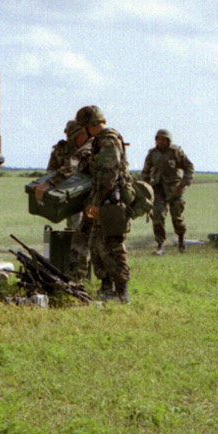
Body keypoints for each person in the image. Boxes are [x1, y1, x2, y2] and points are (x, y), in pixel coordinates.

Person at [75, 105, 133, 303]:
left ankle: (122, 292)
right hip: (103, 200)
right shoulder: (100, 141)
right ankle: (107, 288)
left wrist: (98, 204)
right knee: (97, 245)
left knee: (113, 247)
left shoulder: (107, 141)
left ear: (90, 125)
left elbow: (109, 175)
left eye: (84, 127)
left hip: (111, 202)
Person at [34, 121, 94, 281]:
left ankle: (88, 274)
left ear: (84, 133)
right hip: (69, 197)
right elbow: (51, 171)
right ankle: (78, 273)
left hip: (93, 195)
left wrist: (50, 182)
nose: (73, 140)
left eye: (76, 136)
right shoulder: (62, 148)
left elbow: (71, 167)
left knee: (92, 235)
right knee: (76, 230)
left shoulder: (93, 146)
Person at [141, 129, 194, 255]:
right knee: (157, 216)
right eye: (158, 139)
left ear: (168, 141)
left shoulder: (176, 152)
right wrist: (145, 186)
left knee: (177, 218)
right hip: (158, 188)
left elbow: (189, 167)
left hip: (175, 189)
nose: (160, 142)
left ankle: (181, 240)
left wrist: (183, 184)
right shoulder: (152, 153)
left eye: (163, 139)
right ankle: (160, 245)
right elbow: (146, 171)